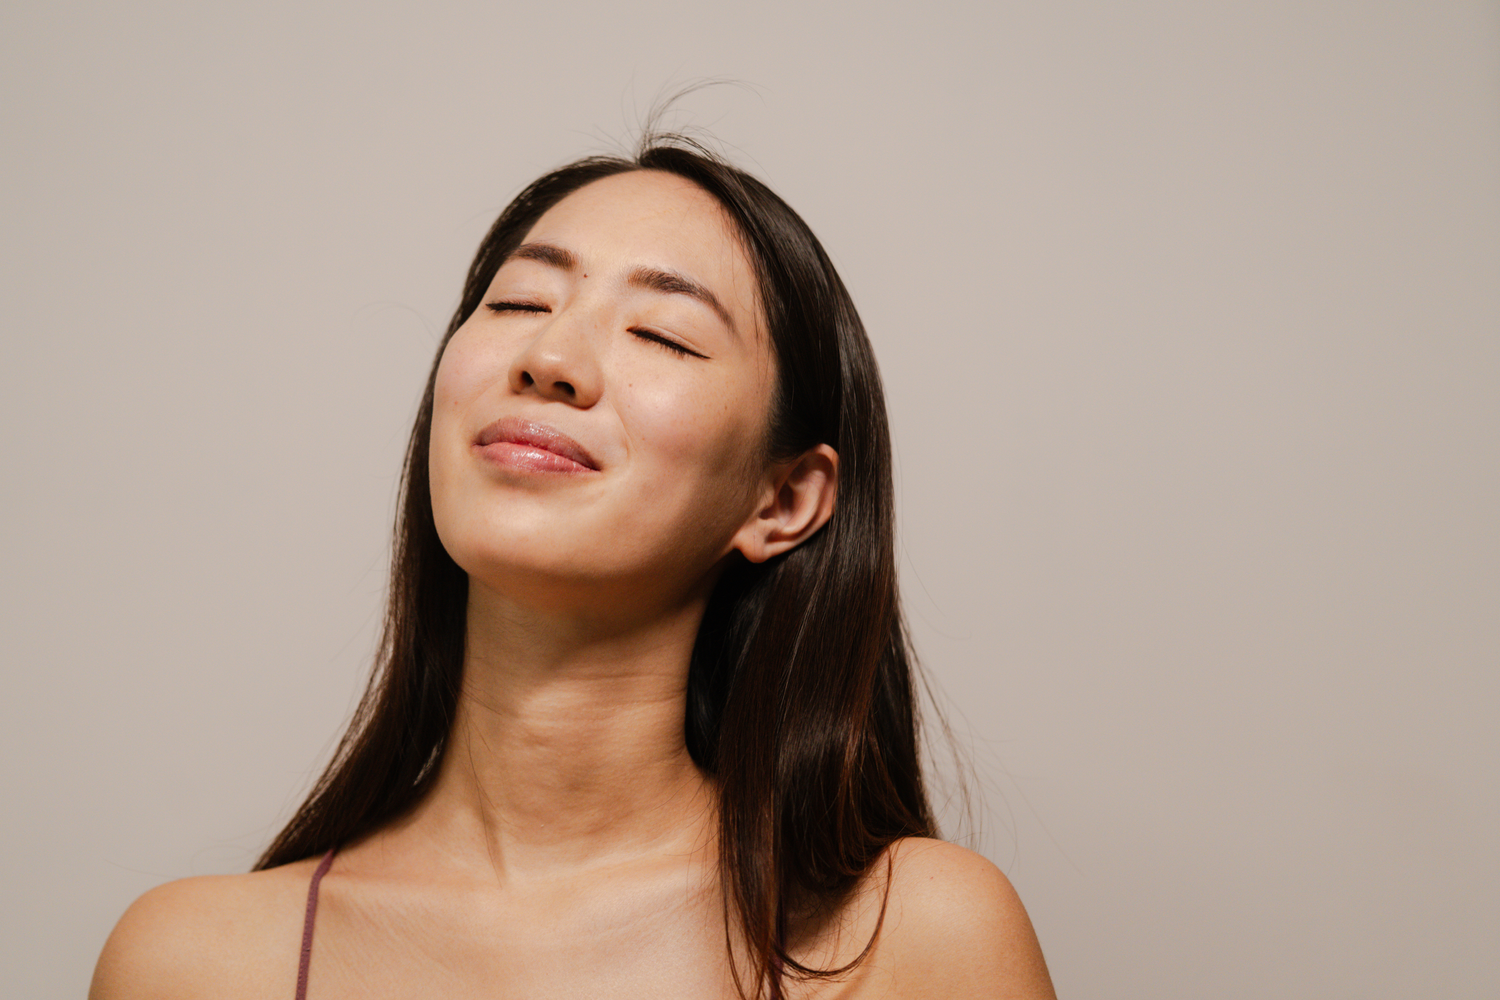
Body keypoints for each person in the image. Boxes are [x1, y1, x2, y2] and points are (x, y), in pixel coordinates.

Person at [90, 134, 1057, 1000]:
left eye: (662, 335)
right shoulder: (190, 964)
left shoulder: (911, 941)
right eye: (517, 301)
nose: (551, 356)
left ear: (783, 501)